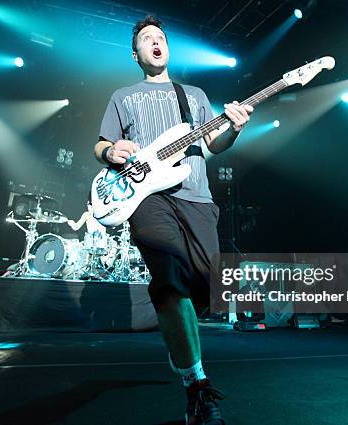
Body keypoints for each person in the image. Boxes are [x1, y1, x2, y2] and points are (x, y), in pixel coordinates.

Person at [94, 15, 253, 425]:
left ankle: (179, 340)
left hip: (196, 195)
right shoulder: (123, 96)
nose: (156, 42)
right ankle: (196, 385)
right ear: (136, 54)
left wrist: (233, 128)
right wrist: (110, 153)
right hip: (146, 197)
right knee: (168, 281)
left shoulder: (194, 95)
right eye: (147, 39)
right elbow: (101, 145)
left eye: (161, 37)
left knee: (203, 284)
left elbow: (215, 144)